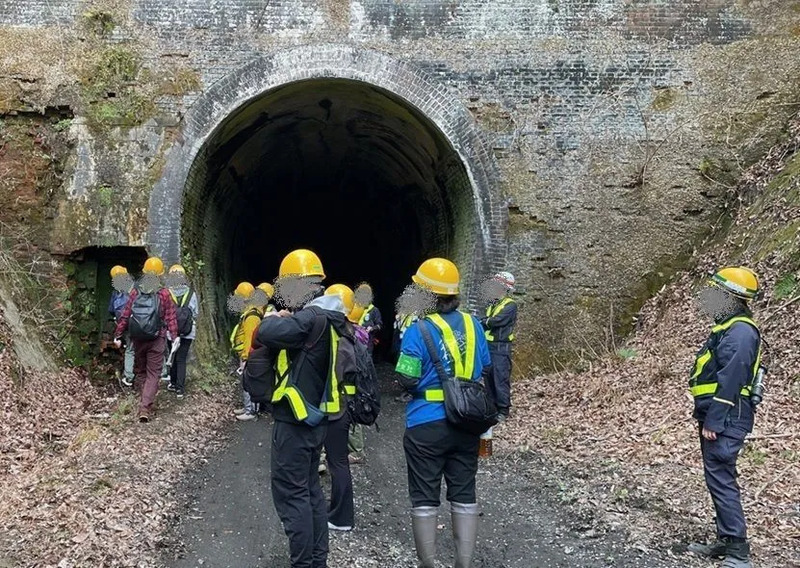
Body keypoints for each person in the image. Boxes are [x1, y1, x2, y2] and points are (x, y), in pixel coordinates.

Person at [256, 249, 353, 568]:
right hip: (318, 420)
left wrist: (273, 317)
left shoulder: (311, 318)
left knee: (292, 496)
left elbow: (265, 333)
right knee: (310, 492)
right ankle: (316, 561)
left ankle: (303, 563)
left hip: (296, 421)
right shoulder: (333, 317)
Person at [395, 258, 491, 568]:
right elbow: (486, 368)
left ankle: (429, 564)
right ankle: (463, 563)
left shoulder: (417, 330)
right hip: (466, 421)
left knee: (425, 495)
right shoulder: (474, 325)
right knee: (463, 491)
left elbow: (407, 378)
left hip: (426, 422)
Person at [687, 267, 762, 568]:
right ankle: (726, 539)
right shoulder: (729, 328)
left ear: (732, 298)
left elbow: (731, 378)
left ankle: (738, 551)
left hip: (728, 415)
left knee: (721, 475)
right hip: (720, 413)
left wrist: (715, 419)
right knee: (717, 476)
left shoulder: (741, 331)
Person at [113, 256, 179, 423]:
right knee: (153, 373)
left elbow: (126, 315)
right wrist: (175, 336)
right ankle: (145, 407)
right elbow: (171, 317)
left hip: (138, 338)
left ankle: (143, 399)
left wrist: (118, 334)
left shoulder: (135, 292)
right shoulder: (164, 294)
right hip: (157, 338)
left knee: (141, 370)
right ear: (160, 275)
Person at [320, 283, 359, 531]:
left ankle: (341, 518)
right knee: (338, 462)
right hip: (342, 409)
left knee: (335, 463)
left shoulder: (329, 335)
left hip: (329, 410)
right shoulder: (351, 335)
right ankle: (337, 513)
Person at [480, 272, 518, 421]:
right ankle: (492, 407)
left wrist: (484, 322)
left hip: (501, 347)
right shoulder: (493, 303)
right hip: (489, 346)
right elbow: (488, 320)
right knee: (488, 377)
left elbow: (495, 321)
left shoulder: (510, 305)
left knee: (500, 378)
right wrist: (486, 321)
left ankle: (503, 409)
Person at [230, 281, 264, 421]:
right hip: (248, 355)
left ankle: (251, 411)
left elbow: (250, 338)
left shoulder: (251, 317)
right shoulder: (250, 313)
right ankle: (247, 407)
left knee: (249, 382)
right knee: (246, 382)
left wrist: (245, 357)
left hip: (249, 355)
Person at [166, 264, 199, 399]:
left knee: (172, 354)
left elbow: (164, 312)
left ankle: (173, 383)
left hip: (171, 331)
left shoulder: (167, 293)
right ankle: (180, 389)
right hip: (187, 331)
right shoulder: (191, 293)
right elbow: (195, 313)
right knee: (181, 359)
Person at [108, 265, 134, 387]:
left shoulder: (115, 292)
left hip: (124, 325)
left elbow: (111, 310)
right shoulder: (135, 289)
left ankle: (128, 377)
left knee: (130, 349)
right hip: (138, 323)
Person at [355, 283, 382, 355]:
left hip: (368, 340)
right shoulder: (355, 308)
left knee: (366, 359)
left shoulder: (374, 310)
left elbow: (379, 325)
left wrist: (372, 328)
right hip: (355, 340)